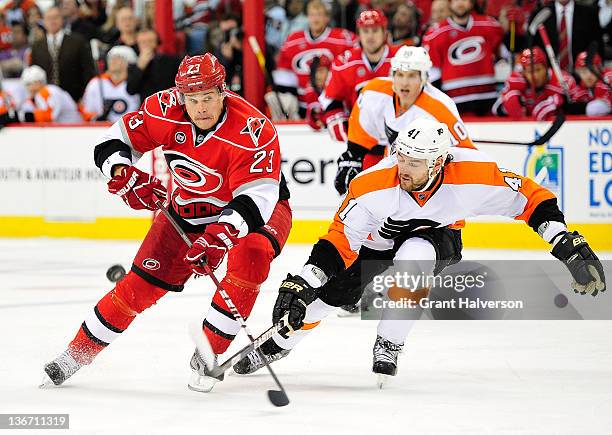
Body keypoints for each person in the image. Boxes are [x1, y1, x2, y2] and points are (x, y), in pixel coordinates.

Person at [232, 118, 606, 382]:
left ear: (439, 161)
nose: (404, 167)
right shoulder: (372, 185)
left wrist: (564, 242)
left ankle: (389, 342)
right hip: (376, 243)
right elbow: (339, 240)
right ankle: (278, 342)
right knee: (326, 300)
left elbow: (531, 198)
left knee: (416, 256)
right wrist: (305, 280)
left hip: (438, 237)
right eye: (401, 158)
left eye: (414, 162)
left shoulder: (472, 175)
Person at [41, 54, 293, 394]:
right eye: (192, 99)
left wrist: (219, 236)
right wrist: (123, 173)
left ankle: (210, 350)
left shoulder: (253, 128)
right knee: (138, 288)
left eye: (207, 98)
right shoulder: (164, 109)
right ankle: (77, 352)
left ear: (223, 92)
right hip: (187, 212)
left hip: (256, 214)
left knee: (252, 253)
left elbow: (258, 197)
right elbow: (113, 141)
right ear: (181, 96)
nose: (200, 107)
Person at [333, 45, 475, 197]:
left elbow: (467, 155)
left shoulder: (441, 109)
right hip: (396, 178)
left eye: (412, 76)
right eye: (400, 75)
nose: (404, 83)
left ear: (424, 78)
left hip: (430, 185)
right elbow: (361, 137)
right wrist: (352, 157)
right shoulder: (375, 92)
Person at [314, 9, 399, 143]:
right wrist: (338, 120)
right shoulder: (345, 63)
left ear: (385, 33)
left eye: (375, 30)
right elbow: (330, 99)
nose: (370, 36)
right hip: (360, 137)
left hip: (399, 137)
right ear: (358, 34)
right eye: (365, 31)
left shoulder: (402, 58)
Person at [272, 0, 356, 117]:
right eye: (312, 15)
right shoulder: (293, 40)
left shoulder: (343, 39)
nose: (315, 19)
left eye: (319, 15)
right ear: (307, 17)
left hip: (332, 102)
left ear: (327, 18)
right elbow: (284, 74)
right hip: (301, 104)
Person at [422, 0, 505, 116]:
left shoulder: (489, 25)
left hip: (488, 97)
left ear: (471, 3)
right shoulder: (435, 34)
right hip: (455, 100)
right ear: (449, 3)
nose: (460, 3)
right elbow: (434, 72)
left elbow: (505, 56)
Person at [492, 47, 581, 120]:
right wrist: (507, 106)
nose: (535, 76)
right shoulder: (516, 81)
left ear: (546, 68)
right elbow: (495, 109)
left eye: (538, 70)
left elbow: (581, 109)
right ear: (523, 72)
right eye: (530, 71)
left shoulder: (563, 80)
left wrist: (563, 104)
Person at [30, 6, 95, 103]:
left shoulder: (77, 41)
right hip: (46, 101)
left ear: (62, 19)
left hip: (75, 99)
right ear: (43, 21)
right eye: (48, 18)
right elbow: (34, 73)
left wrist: (85, 96)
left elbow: (88, 71)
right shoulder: (37, 46)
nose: (52, 21)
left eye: (55, 17)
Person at [529, 0, 603, 74]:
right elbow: (532, 45)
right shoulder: (540, 13)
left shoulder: (589, 13)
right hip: (549, 76)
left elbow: (597, 44)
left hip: (582, 75)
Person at [81, 45, 140, 122]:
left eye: (118, 58)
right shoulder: (96, 83)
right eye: (111, 58)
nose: (113, 61)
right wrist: (96, 118)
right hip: (101, 131)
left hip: (129, 131)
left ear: (129, 62)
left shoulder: (137, 85)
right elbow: (86, 112)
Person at [126, 28, 182, 102]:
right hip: (147, 107)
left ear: (157, 42)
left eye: (150, 41)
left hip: (169, 103)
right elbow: (131, 90)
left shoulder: (171, 61)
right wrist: (140, 68)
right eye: (143, 42)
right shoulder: (134, 65)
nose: (147, 45)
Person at [18, 65, 83, 123]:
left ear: (41, 82)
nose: (31, 88)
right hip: (66, 129)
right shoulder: (36, 97)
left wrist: (23, 117)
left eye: (34, 83)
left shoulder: (49, 91)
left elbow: (49, 116)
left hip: (72, 129)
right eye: (28, 84)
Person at [573, 51, 611, 116]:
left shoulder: (608, 77)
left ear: (599, 68)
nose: (588, 75)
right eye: (583, 71)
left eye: (592, 70)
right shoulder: (581, 89)